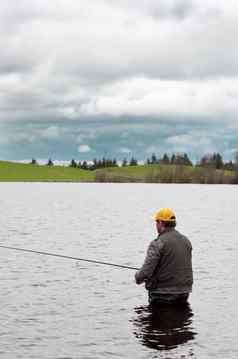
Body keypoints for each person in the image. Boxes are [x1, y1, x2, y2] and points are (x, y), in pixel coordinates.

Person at [135, 208, 193, 306]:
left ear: (161, 223)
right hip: (184, 293)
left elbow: (145, 272)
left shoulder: (158, 243)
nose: (156, 225)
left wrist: (137, 277)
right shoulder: (186, 241)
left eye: (156, 222)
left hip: (163, 295)